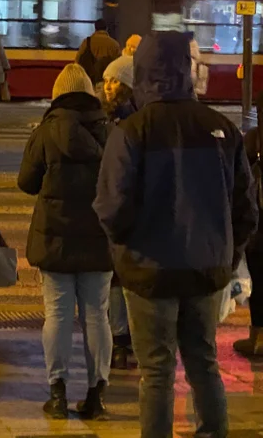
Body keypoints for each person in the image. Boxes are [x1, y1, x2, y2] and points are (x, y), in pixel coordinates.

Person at [95, 32, 258, 438]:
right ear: (186, 71)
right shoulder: (221, 129)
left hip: (150, 272)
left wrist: (129, 248)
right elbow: (246, 210)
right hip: (206, 270)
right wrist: (224, 250)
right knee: (204, 362)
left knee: (156, 371)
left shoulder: (133, 131)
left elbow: (112, 206)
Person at [18, 63, 113, 420]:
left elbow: (27, 182)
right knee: (96, 315)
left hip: (54, 238)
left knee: (57, 315)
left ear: (58, 94)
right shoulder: (109, 131)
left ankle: (56, 393)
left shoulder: (47, 132)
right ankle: (96, 394)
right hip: (99, 238)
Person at [99, 54, 136, 370]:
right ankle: (120, 337)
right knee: (115, 278)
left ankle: (124, 338)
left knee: (122, 278)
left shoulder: (130, 122)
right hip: (113, 207)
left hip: (127, 208)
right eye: (107, 81)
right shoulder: (106, 119)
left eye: (115, 81)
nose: (109, 87)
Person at [235, 90, 263, 357]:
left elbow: (240, 185)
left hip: (259, 231)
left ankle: (258, 336)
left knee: (259, 281)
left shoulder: (254, 140)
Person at [75, 19, 120, 85]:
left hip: (90, 79)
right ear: (106, 28)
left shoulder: (87, 42)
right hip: (107, 80)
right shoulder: (114, 44)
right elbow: (118, 65)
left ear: (95, 28)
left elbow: (77, 60)